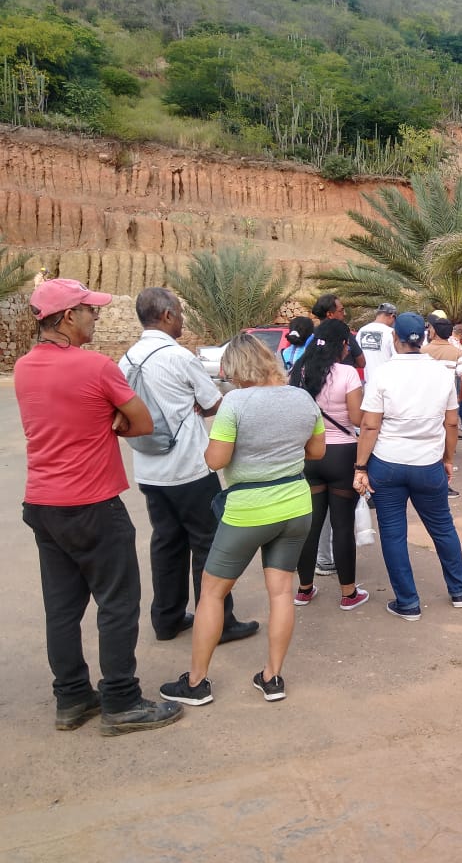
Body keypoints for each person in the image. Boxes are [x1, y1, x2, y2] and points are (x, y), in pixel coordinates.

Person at [16, 278, 184, 735]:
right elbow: (143, 422)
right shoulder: (95, 367)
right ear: (68, 316)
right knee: (117, 603)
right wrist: (111, 425)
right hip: (92, 503)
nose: (97, 316)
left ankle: (71, 699)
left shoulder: (25, 366)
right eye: (90, 310)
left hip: (43, 505)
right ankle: (121, 702)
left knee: (63, 608)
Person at [160, 334, 325, 707]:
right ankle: (272, 677)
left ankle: (197, 682)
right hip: (296, 505)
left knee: (212, 593)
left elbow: (216, 460)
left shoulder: (235, 402)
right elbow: (316, 450)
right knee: (282, 592)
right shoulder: (302, 397)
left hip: (248, 510)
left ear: (235, 368)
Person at [120, 288, 258, 645]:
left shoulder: (127, 359)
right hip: (190, 469)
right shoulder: (178, 357)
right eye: (179, 313)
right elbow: (213, 403)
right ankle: (220, 622)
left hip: (149, 470)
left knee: (166, 543)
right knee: (209, 543)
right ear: (166, 315)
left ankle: (167, 619)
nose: (182, 319)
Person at [353, 312, 462, 621]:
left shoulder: (383, 374)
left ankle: (408, 603)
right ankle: (459, 591)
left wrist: (360, 467)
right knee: (443, 527)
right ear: (426, 336)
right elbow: (451, 422)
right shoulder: (440, 374)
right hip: (428, 463)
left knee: (393, 534)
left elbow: (370, 427)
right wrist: (447, 459)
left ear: (395, 338)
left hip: (388, 464)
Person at [288, 320, 369, 610]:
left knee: (310, 526)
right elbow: (358, 419)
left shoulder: (299, 371)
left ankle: (304, 589)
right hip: (342, 455)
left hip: (309, 454)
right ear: (342, 345)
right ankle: (348, 594)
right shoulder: (347, 373)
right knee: (342, 526)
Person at [422, 315, 462, 498]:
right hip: (446, 404)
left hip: (425, 404)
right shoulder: (457, 352)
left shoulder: (423, 351)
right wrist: (459, 396)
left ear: (432, 331)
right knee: (445, 441)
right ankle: (443, 484)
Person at [312, 294, 365, 370]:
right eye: (341, 311)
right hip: (344, 379)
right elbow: (362, 362)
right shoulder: (345, 335)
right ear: (330, 314)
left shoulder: (312, 335)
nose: (345, 314)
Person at [357, 302, 397, 383]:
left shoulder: (361, 331)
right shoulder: (391, 332)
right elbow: (396, 359)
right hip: (386, 384)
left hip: (367, 384)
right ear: (392, 316)